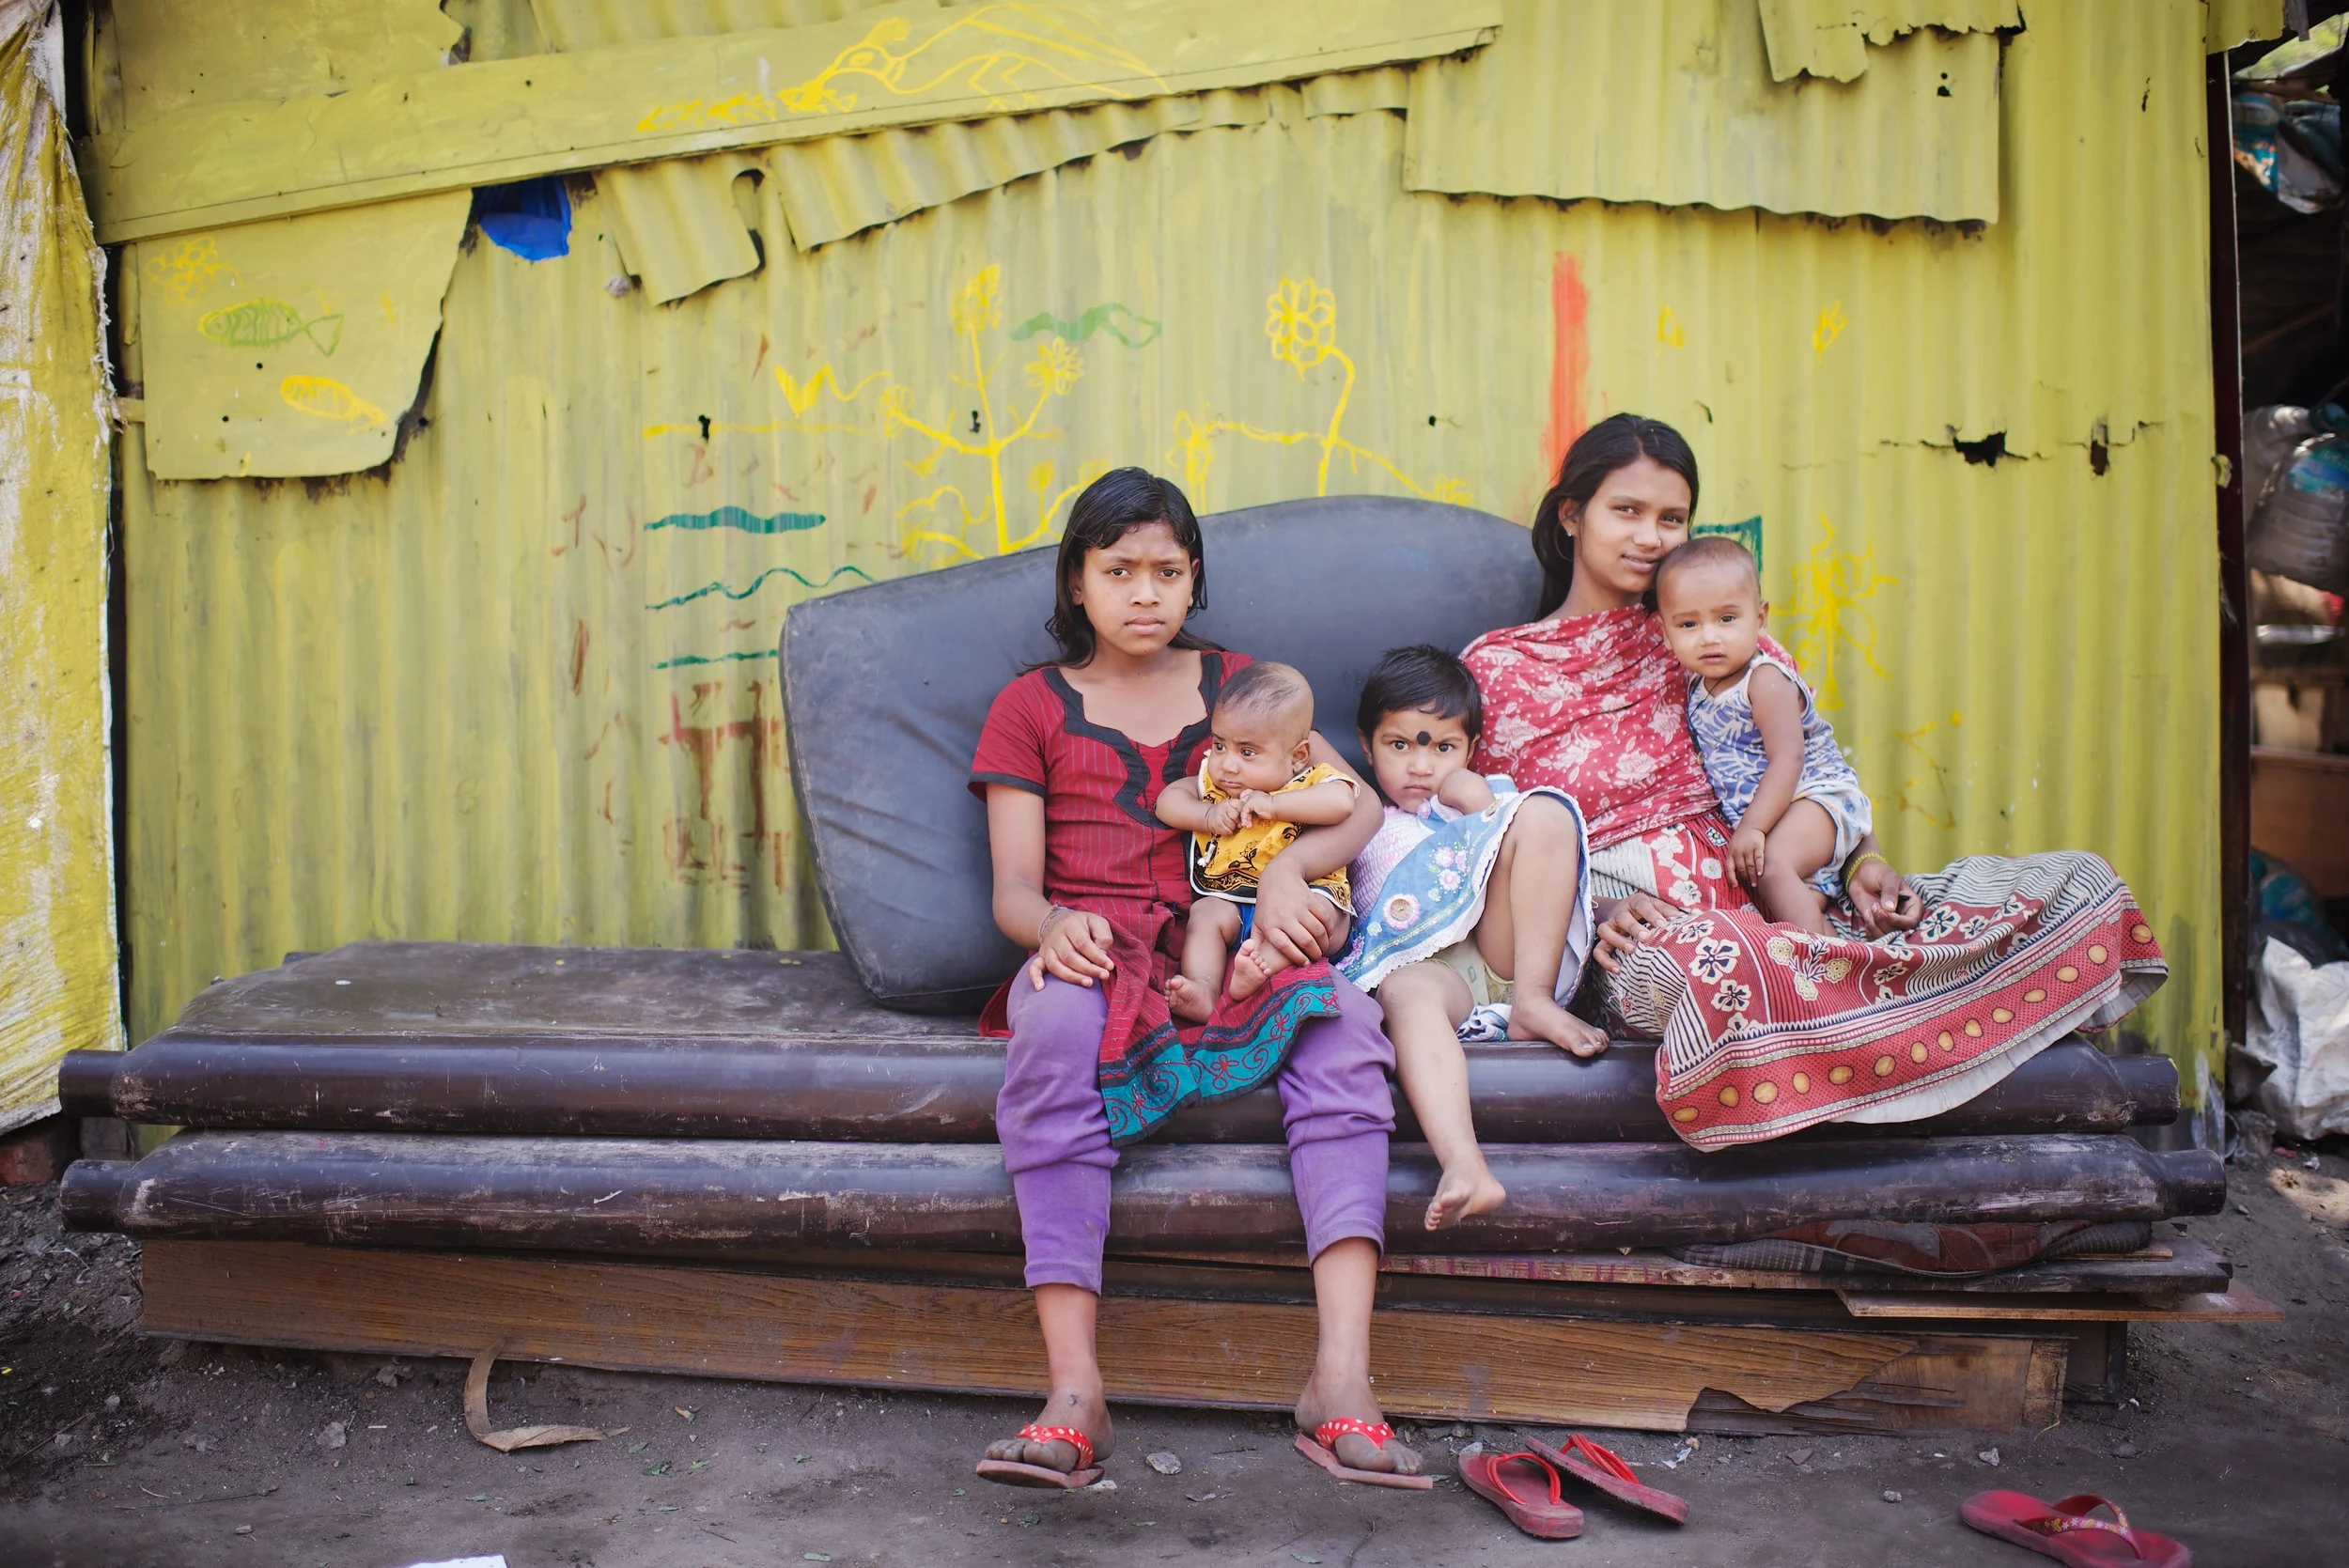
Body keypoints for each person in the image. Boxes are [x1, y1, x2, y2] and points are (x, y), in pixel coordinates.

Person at [1467, 414, 2169, 1151]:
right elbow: (1482, 857)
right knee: (1725, 963)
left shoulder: (1721, 635)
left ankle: (1854, 1004)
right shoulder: (1502, 670)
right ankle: (1888, 1017)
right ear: (1572, 515)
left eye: (1672, 518)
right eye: (1627, 511)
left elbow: (1810, 763)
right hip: (1654, 942)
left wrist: (1865, 862)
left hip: (1791, 906)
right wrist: (1597, 908)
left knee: (2076, 883)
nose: (1651, 536)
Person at [967, 467, 1423, 1490]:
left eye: (1167, 571)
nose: (1145, 592)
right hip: (1094, 949)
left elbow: (1352, 804)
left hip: (1242, 937)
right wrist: (1055, 925)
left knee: (1347, 1027)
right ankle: (1075, 1393)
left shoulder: (1248, 687)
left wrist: (1295, 874)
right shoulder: (1029, 706)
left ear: (1193, 578)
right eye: (1118, 570)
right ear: (1075, 581)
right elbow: (1012, 891)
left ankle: (1341, 1381)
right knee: (1050, 1038)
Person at [1336, 645, 1599, 1230]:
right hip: (1434, 977)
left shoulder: (1481, 794)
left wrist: (1475, 800)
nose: (1420, 766)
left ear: (1471, 748)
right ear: (1365, 744)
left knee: (1544, 812)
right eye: (1399, 744)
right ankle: (1464, 1165)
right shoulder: (1362, 817)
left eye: (1442, 747)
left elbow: (1532, 864)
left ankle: (1534, 1002)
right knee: (1404, 992)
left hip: (1502, 954)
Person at [1653, 536, 1873, 935]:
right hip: (1779, 816)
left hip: (1815, 798)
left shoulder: (1764, 680)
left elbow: (1789, 757)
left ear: (1759, 618)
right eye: (1688, 624)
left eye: (1727, 619)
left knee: (1771, 866)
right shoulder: (1696, 687)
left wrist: (1752, 827)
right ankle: (1839, 951)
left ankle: (1822, 962)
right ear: (1666, 633)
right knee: (1789, 904)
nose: (1709, 636)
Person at [1153, 660, 1359, 1021]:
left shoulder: (1312, 780)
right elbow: (1167, 801)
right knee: (1205, 914)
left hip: (1301, 897)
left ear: (1297, 757)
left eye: (1247, 752)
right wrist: (1207, 815)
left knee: (1323, 915)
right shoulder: (1219, 787)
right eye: (1220, 745)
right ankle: (1203, 987)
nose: (1227, 765)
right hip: (1232, 899)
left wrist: (1275, 805)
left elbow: (1342, 802)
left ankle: (1260, 966)